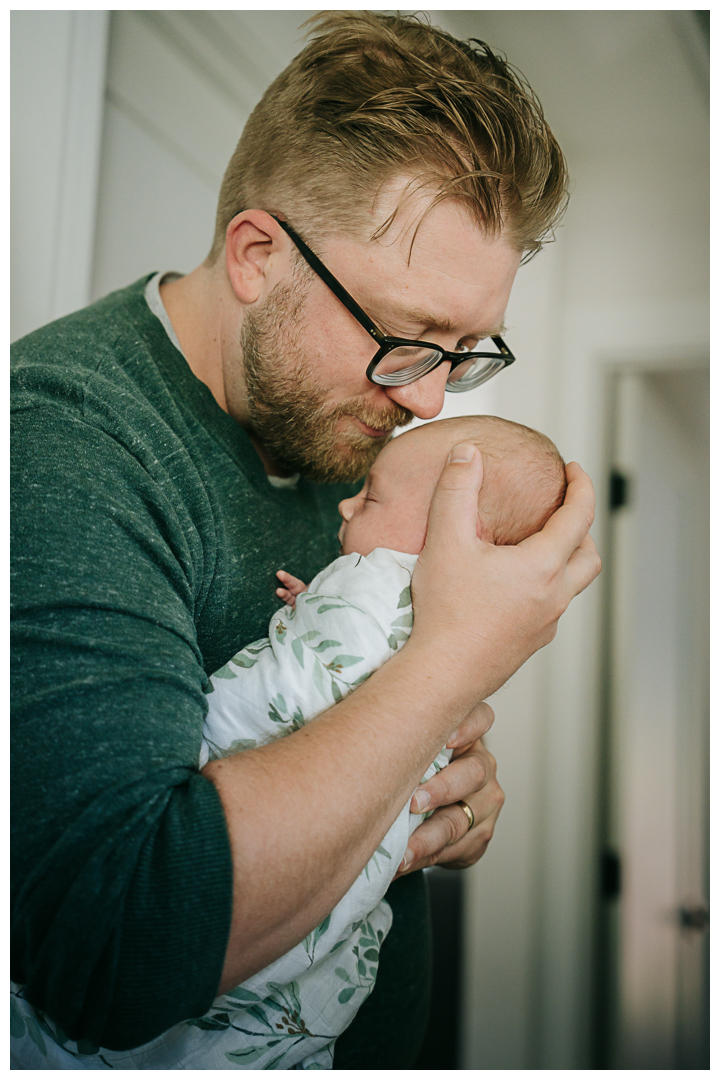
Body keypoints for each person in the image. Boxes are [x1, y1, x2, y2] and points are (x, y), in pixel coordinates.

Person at [10, 11, 600, 1070]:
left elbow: (351, 709)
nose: (426, 401)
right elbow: (112, 952)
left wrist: (439, 797)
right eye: (405, 338)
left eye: (466, 352)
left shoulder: (341, 431)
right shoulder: (60, 443)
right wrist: (458, 657)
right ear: (255, 255)